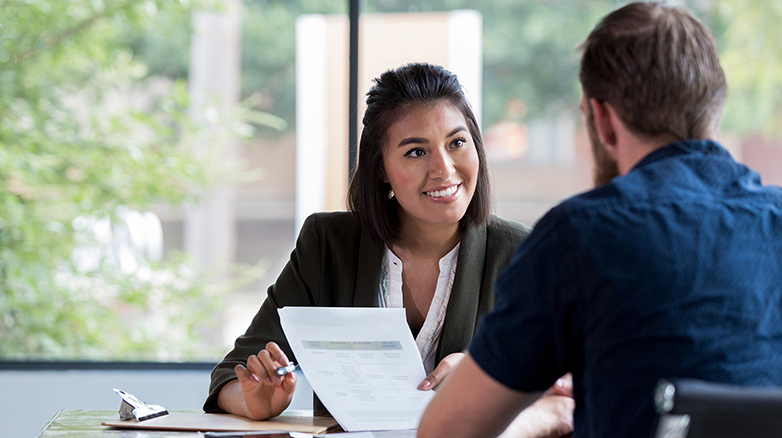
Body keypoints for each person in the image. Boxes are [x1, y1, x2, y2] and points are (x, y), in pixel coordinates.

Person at [418, 3, 782, 438]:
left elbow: (447, 431)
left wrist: (546, 414)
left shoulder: (581, 236)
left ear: (603, 120)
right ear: (715, 107)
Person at [204, 63, 571, 433]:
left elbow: (569, 390)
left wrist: (486, 377)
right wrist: (254, 402)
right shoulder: (328, 245)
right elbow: (230, 376)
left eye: (457, 143)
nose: (443, 169)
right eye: (416, 152)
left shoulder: (522, 253)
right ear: (381, 169)